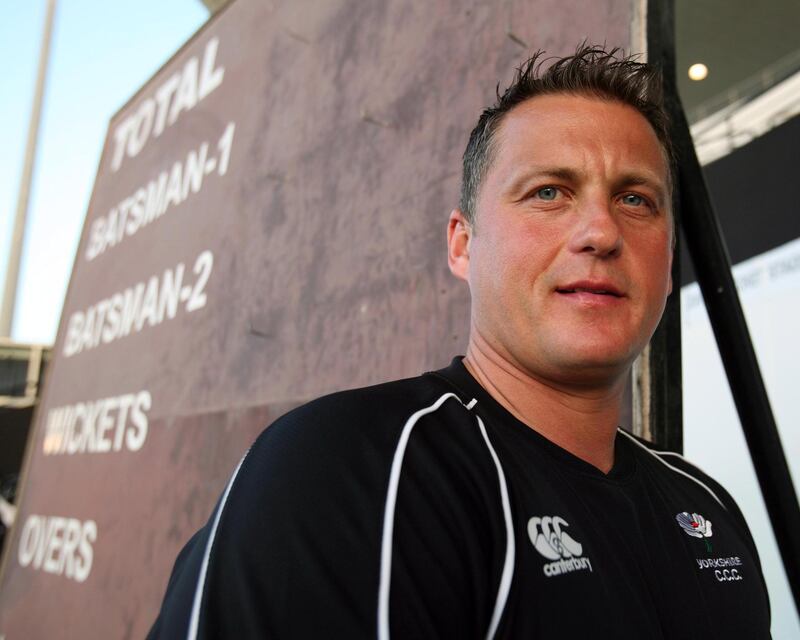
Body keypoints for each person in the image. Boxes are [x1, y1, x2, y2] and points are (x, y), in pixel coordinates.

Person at [148, 45, 771, 639]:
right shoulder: (349, 471)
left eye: (635, 199)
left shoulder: (705, 503)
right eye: (548, 192)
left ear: (667, 265)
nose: (601, 231)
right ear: (462, 244)